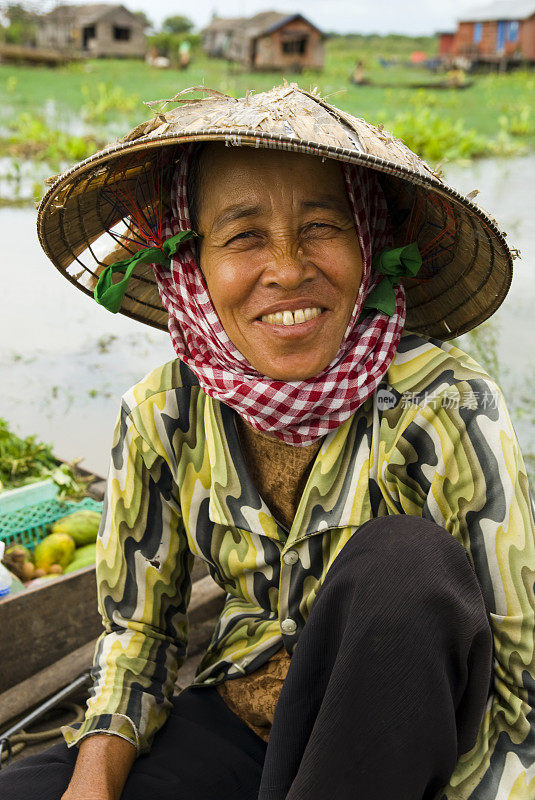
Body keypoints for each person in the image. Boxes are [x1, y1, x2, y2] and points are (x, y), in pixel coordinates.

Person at [2, 85, 534, 799]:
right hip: (242, 725)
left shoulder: (444, 405)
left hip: (399, 751)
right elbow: (141, 639)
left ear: (368, 244)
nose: (286, 268)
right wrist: (90, 784)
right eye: (244, 235)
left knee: (406, 563)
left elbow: (515, 685)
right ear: (192, 264)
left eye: (321, 228)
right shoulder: (164, 412)